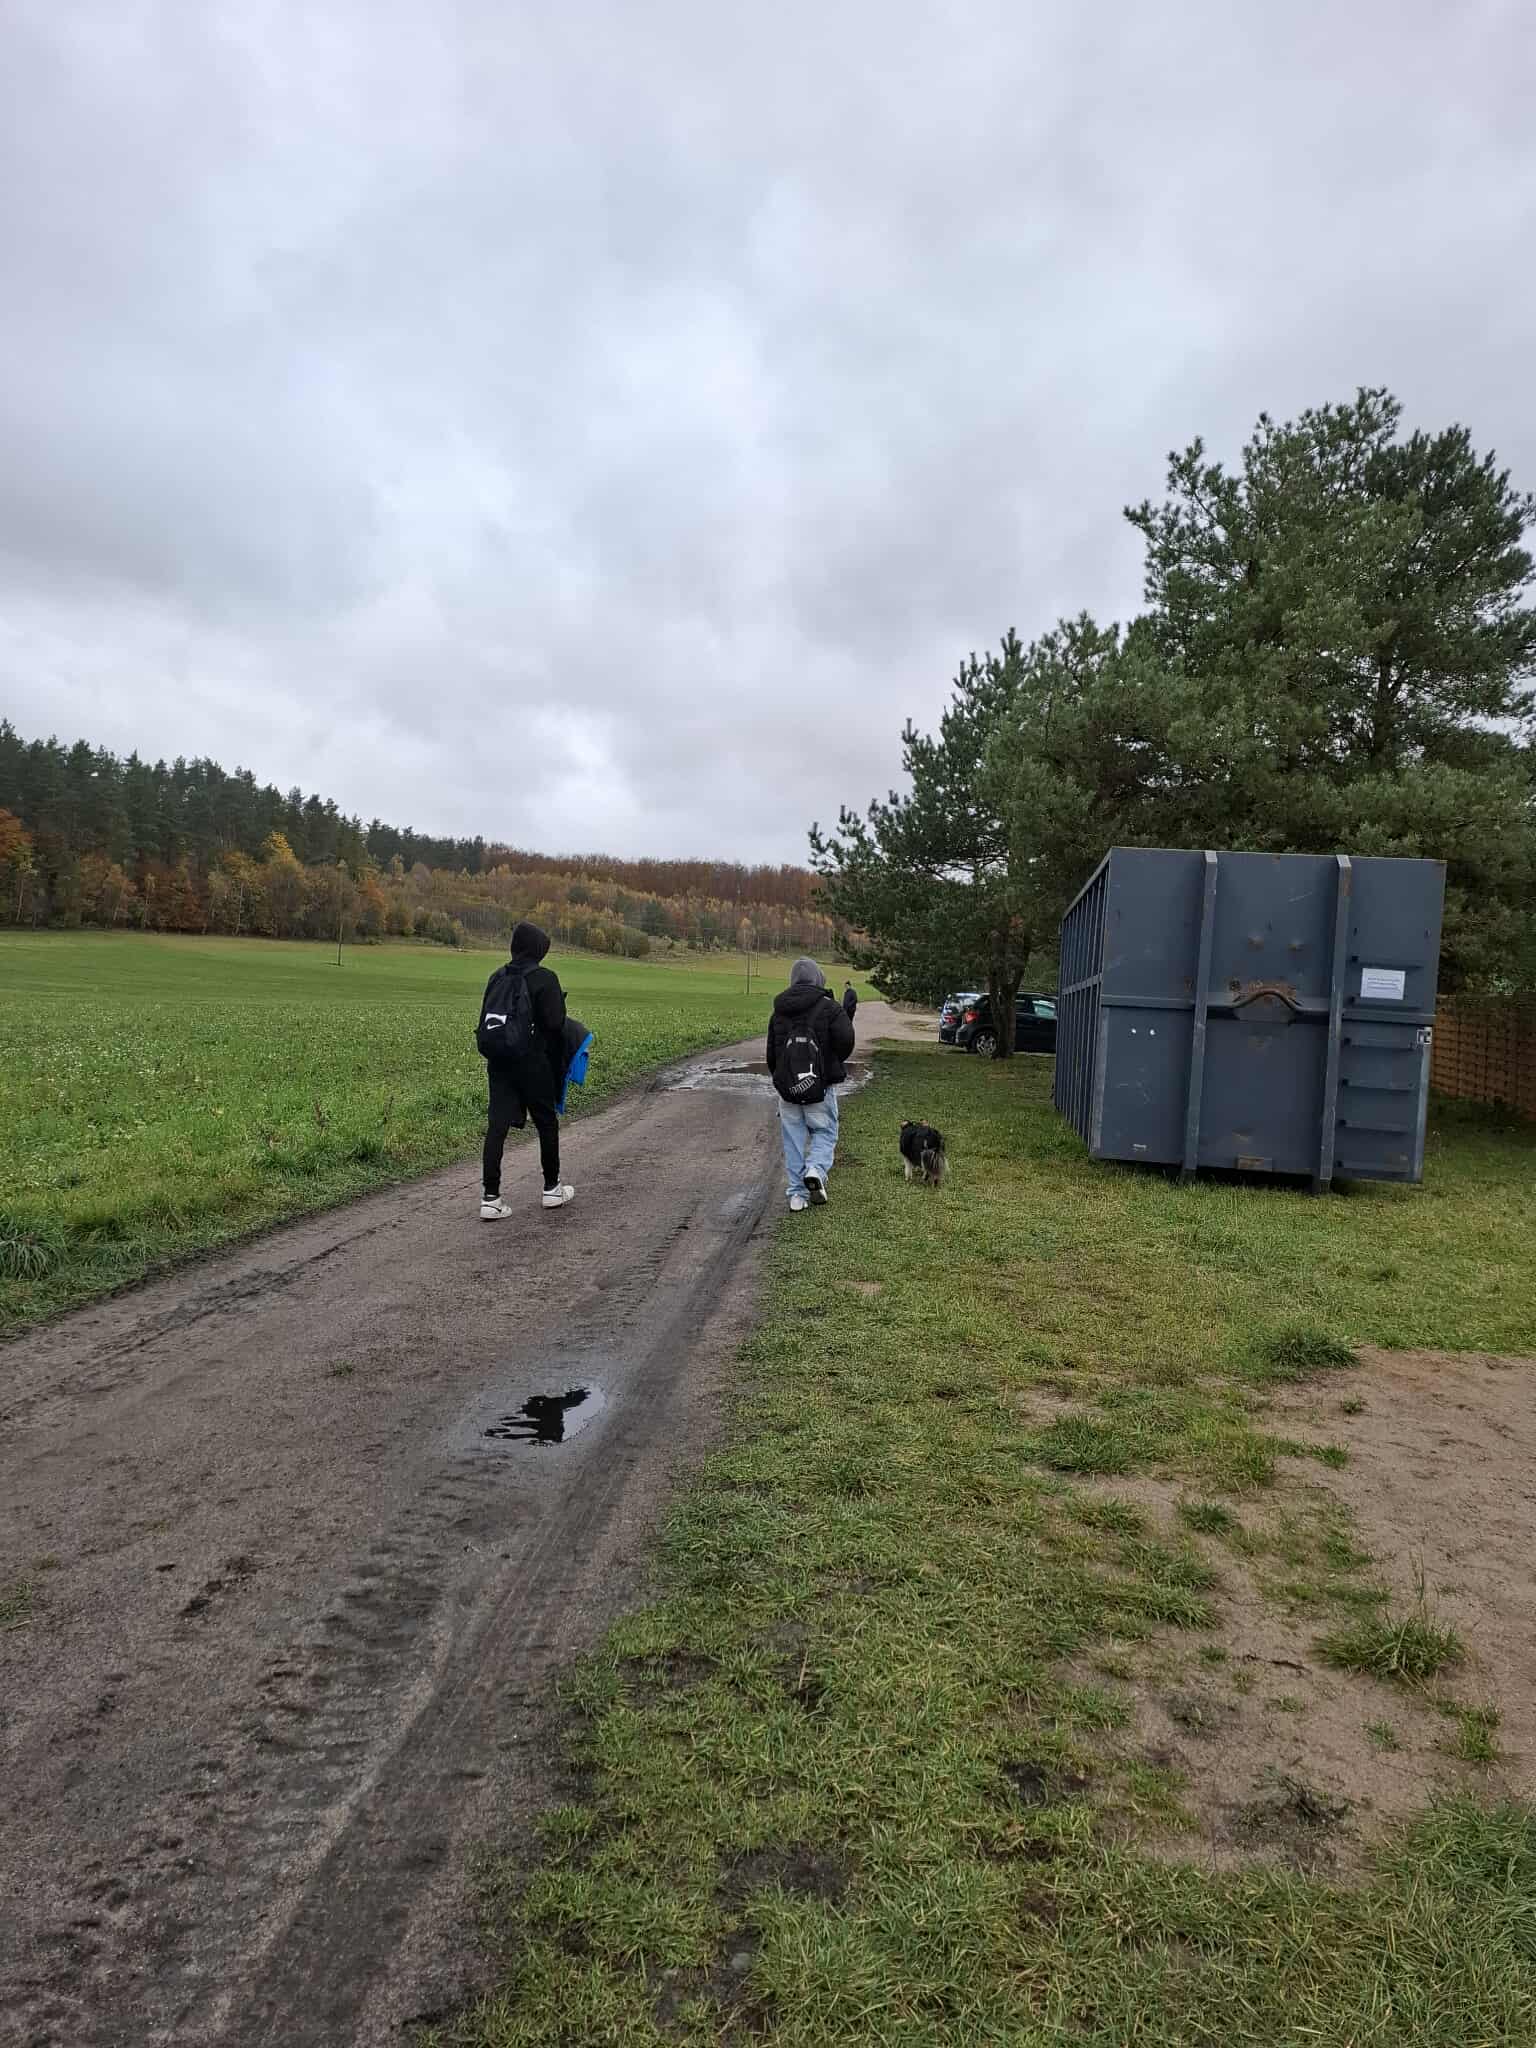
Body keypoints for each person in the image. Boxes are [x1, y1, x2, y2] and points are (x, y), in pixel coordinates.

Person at [479, 921, 576, 1215]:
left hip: (499, 1062)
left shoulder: (497, 977)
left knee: (497, 1127)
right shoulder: (545, 978)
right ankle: (551, 1188)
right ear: (538, 950)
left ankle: (490, 1198)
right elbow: (555, 1024)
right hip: (533, 1063)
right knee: (546, 1122)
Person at [766, 957, 855, 1212]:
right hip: (821, 1087)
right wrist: (829, 1066)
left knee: (793, 1141)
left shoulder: (779, 1011)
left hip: (788, 1090)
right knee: (825, 1132)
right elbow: (847, 1040)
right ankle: (815, 1169)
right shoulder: (830, 1007)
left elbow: (772, 1054)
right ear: (818, 978)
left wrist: (783, 1079)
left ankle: (797, 1195)